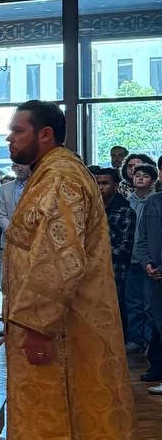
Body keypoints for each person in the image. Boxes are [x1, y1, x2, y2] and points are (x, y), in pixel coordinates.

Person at [2, 100, 155, 440]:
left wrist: (37, 325)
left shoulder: (62, 178)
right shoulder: (52, 174)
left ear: (45, 134)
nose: (10, 138)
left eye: (18, 131)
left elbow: (58, 258)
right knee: (64, 422)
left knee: (61, 423)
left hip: (63, 332)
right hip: (65, 327)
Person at [95, 167, 135, 333]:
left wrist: (98, 252)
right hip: (92, 270)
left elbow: (125, 247)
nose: (100, 187)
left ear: (116, 185)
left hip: (116, 270)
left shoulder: (125, 210)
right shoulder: (92, 209)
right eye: (97, 183)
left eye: (105, 183)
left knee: (116, 311)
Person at [125, 161, 157, 354]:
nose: (140, 178)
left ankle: (149, 340)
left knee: (149, 303)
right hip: (131, 258)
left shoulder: (155, 201)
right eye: (137, 175)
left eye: (145, 176)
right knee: (132, 302)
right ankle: (135, 338)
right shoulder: (128, 200)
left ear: (152, 181)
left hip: (149, 260)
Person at [136, 181, 162, 388]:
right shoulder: (153, 201)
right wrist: (146, 263)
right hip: (153, 276)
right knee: (157, 323)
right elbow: (142, 238)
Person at [0, 162, 30, 288]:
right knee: (10, 282)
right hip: (9, 239)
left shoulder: (39, 186)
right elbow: (1, 215)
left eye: (22, 164)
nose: (19, 168)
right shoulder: (4, 188)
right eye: (16, 165)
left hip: (33, 240)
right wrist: (14, 233)